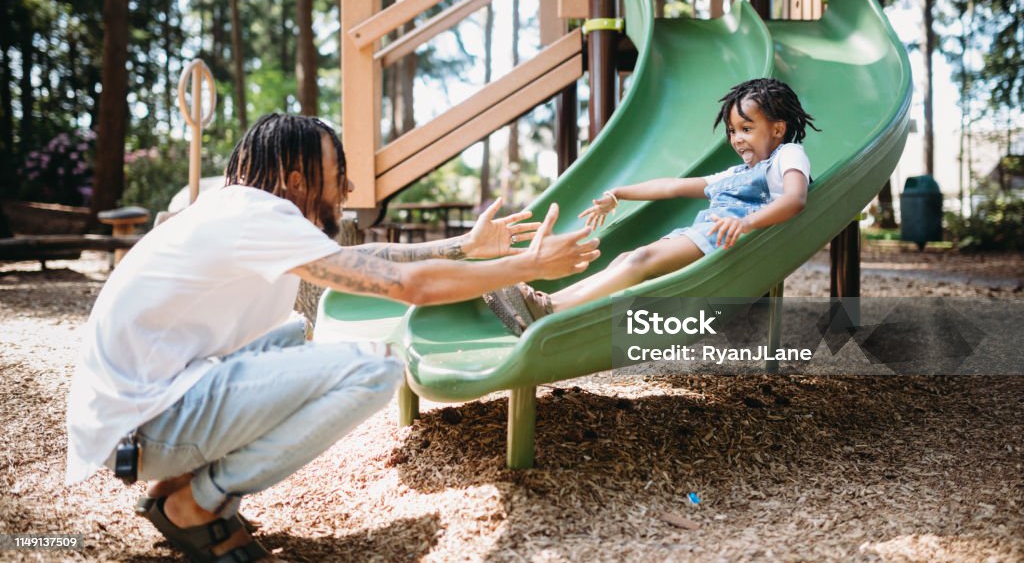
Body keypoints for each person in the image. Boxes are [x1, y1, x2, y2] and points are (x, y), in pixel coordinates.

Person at [65, 113, 600, 562]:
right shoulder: (259, 217)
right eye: (337, 172)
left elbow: (369, 260)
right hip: (144, 427)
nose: (346, 188)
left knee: (293, 331)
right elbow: (409, 286)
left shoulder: (239, 209)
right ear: (297, 179)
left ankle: (174, 484)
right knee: (377, 367)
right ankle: (198, 501)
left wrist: (465, 247)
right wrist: (527, 265)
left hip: (138, 416)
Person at [484, 78, 818, 334]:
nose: (737, 138)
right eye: (732, 131)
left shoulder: (788, 155)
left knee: (641, 259)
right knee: (627, 258)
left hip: (731, 240)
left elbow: (794, 200)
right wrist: (620, 193)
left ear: (777, 129)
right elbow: (671, 187)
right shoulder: (735, 173)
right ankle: (545, 304)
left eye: (747, 128)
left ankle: (549, 310)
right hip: (704, 234)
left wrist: (746, 223)